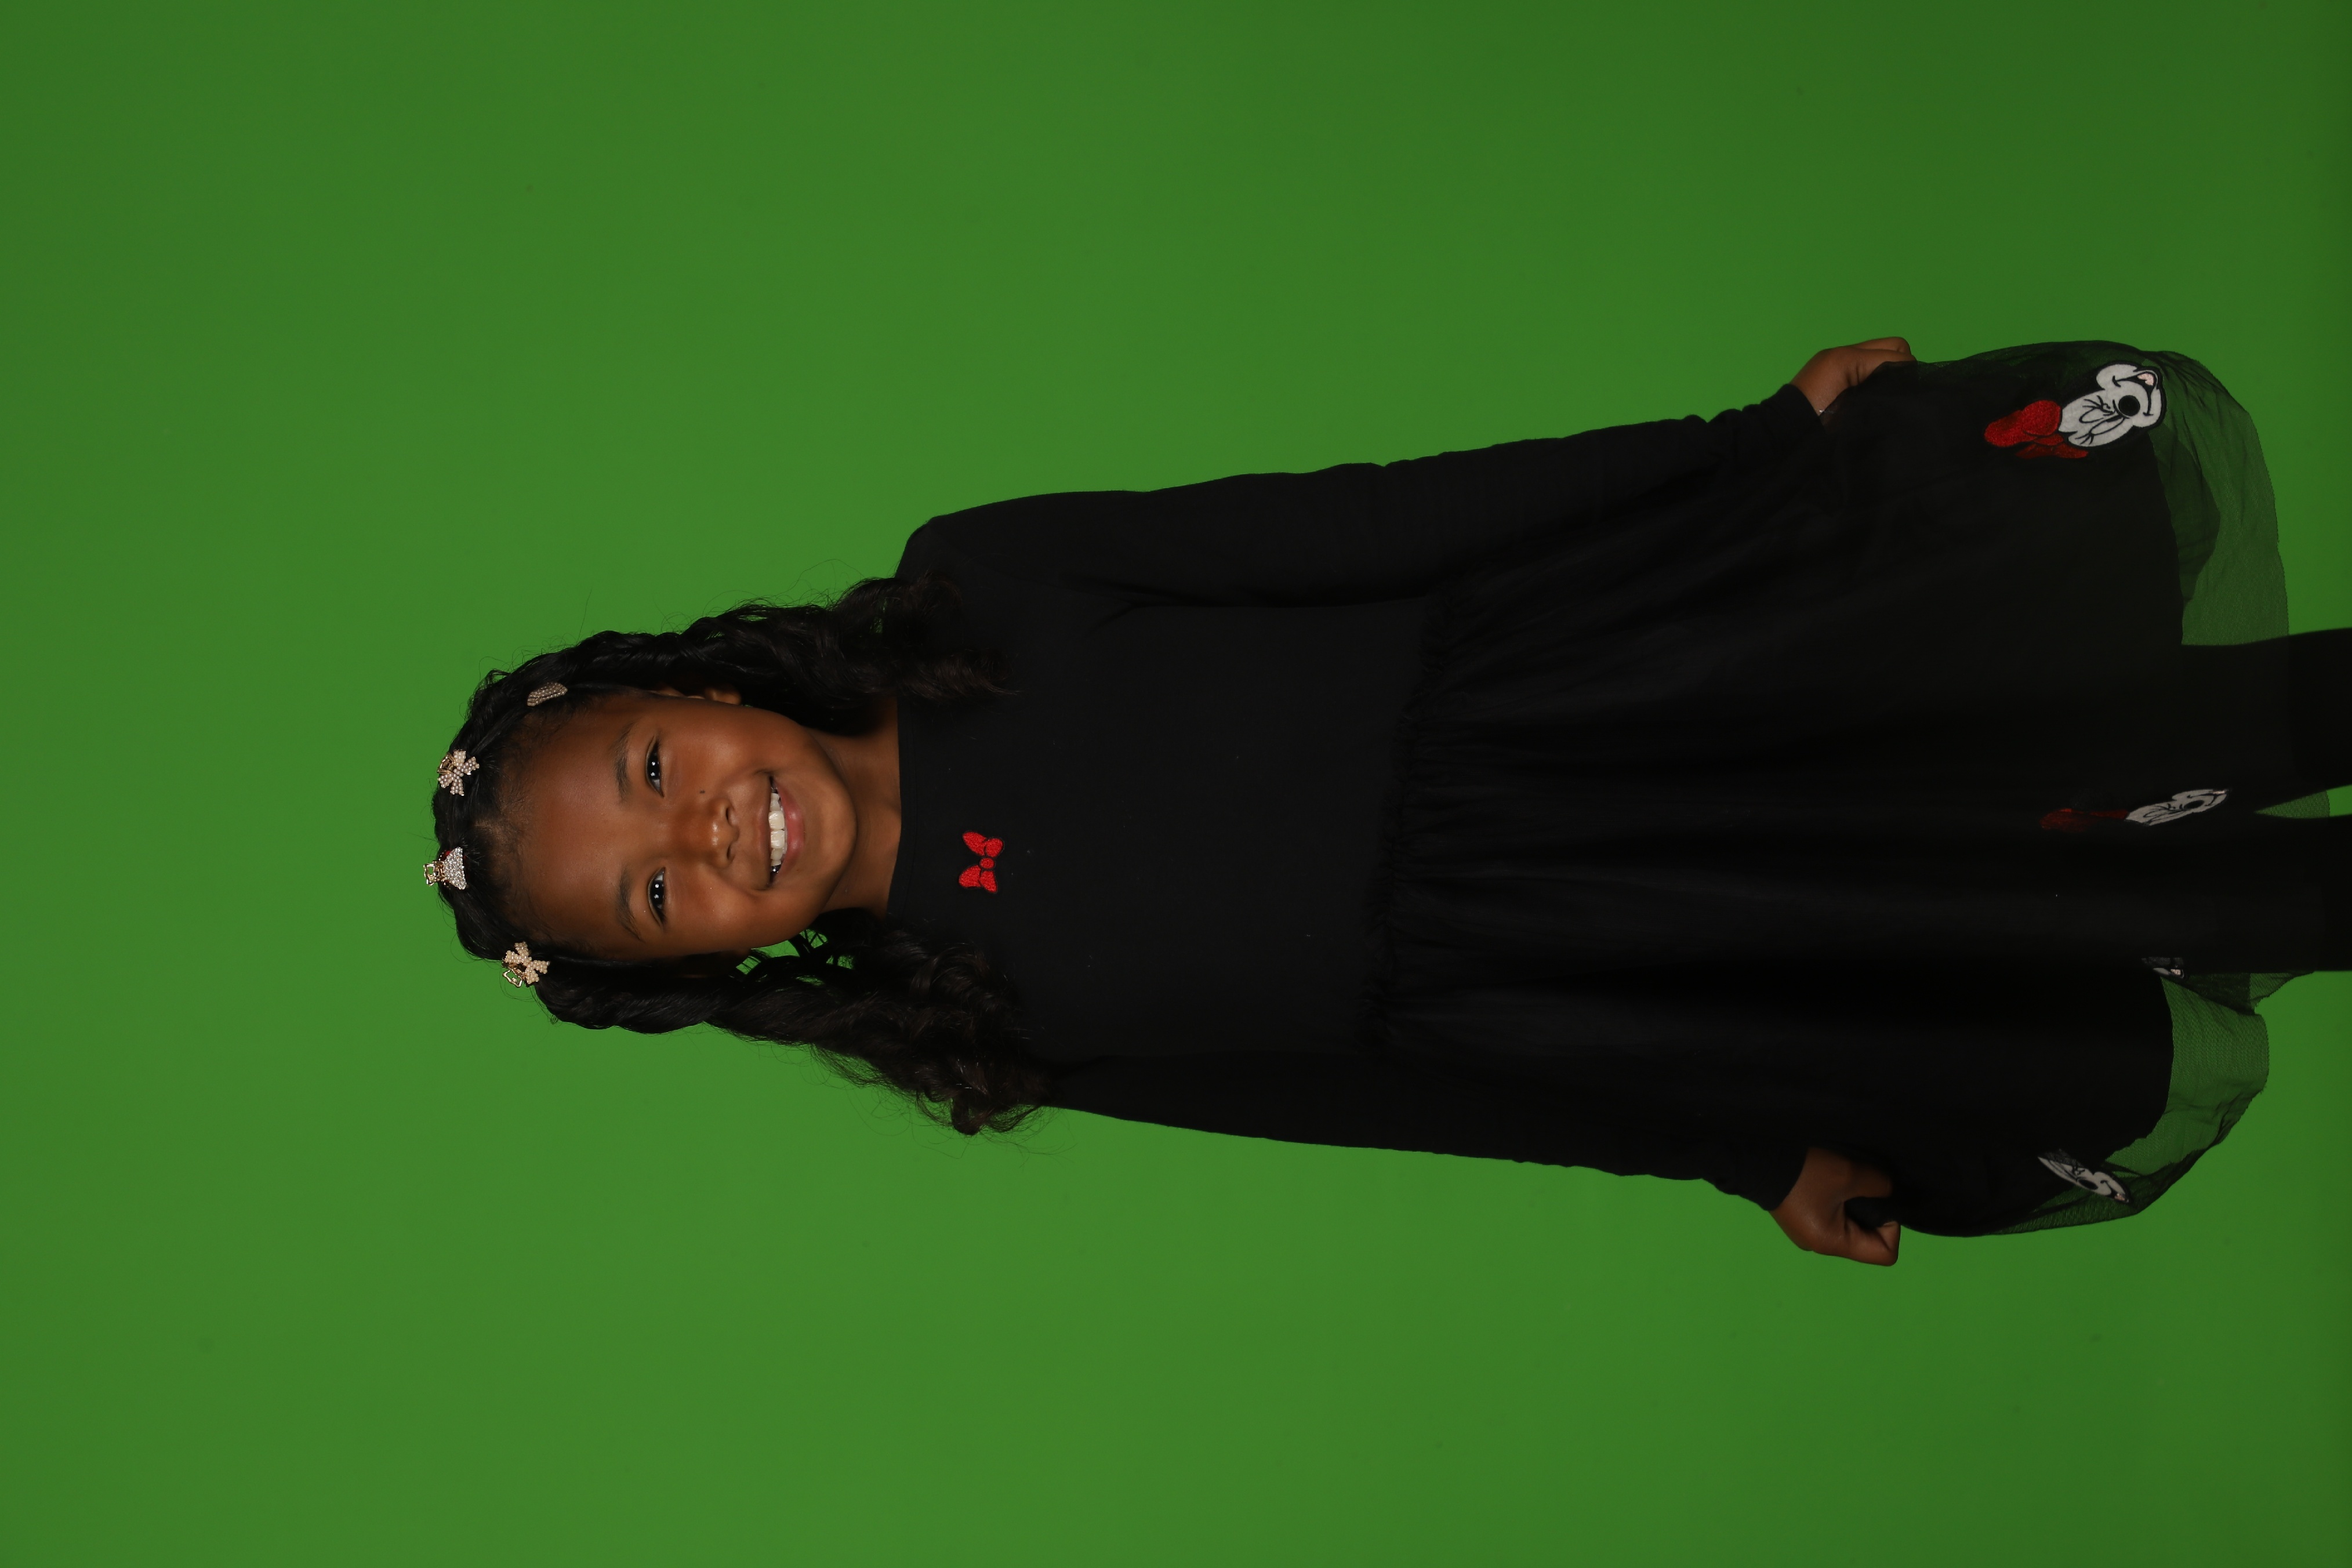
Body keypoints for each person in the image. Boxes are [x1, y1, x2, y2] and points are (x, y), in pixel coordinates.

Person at [422, 338, 2347, 1266]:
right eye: (659, 897)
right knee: (2026, 921)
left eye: (656, 775)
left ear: (687, 689)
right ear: (705, 968)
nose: (707, 836)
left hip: (1636, 686)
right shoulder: (978, 1023)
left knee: (2084, 731)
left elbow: (1377, 521)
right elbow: (1401, 1094)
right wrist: (1744, 1148)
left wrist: (1751, 446)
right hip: (1618, 950)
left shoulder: (983, 590)